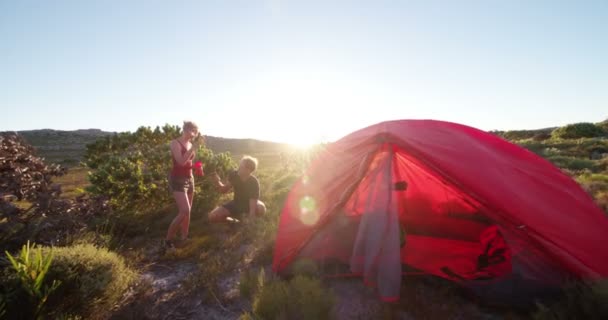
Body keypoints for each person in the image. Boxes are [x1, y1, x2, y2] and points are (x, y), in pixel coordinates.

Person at [165, 121, 203, 248]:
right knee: (184, 211)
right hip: (178, 179)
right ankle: (168, 241)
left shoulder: (190, 144)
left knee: (188, 211)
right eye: (191, 131)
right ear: (185, 129)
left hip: (189, 178)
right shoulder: (175, 143)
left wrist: (197, 166)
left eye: (195, 132)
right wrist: (193, 148)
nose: (193, 134)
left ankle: (184, 237)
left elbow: (188, 162)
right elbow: (180, 162)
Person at [208, 155, 266, 223]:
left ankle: (246, 218)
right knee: (212, 216)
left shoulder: (253, 182)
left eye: (241, 167)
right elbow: (224, 190)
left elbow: (253, 202)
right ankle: (235, 222)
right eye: (240, 166)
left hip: (249, 204)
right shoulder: (234, 175)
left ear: (248, 170)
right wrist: (217, 181)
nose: (238, 168)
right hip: (236, 203)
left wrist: (251, 216)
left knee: (261, 208)